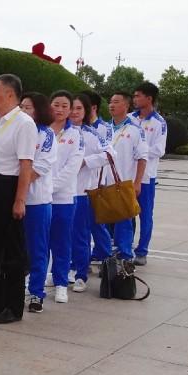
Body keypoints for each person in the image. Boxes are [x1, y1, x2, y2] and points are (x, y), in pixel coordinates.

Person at [0, 74, 38, 324]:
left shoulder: (23, 123)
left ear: (10, 95)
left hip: (9, 187)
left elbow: (26, 164)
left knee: (11, 250)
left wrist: (20, 200)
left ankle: (13, 305)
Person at [69, 93, 113, 293]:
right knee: (60, 236)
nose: (73, 112)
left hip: (81, 192)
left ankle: (80, 274)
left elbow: (110, 153)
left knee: (80, 235)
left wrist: (86, 162)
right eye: (71, 107)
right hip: (56, 193)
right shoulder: (56, 132)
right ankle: (62, 271)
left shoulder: (91, 134)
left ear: (86, 111)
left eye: (78, 108)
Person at [20, 93, 57, 313]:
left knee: (38, 249)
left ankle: (36, 292)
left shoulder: (46, 134)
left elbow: (40, 168)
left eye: (29, 108)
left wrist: (19, 191)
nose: (24, 112)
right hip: (13, 198)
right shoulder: (16, 129)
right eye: (21, 107)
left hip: (36, 201)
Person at [47, 90, 84, 303]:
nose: (59, 110)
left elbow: (73, 167)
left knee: (61, 242)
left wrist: (50, 187)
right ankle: (40, 278)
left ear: (70, 110)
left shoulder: (75, 135)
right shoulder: (40, 130)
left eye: (64, 106)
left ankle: (61, 283)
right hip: (40, 198)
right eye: (56, 105)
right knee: (41, 242)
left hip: (63, 198)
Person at [106, 91, 148, 263]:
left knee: (124, 223)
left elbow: (142, 157)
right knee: (105, 223)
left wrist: (137, 182)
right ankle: (106, 257)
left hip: (124, 184)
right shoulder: (103, 128)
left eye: (116, 102)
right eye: (110, 102)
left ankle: (125, 256)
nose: (111, 105)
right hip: (103, 184)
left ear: (126, 105)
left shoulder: (135, 130)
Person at [130, 82, 166, 266]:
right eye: (134, 96)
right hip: (127, 176)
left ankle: (142, 250)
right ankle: (125, 247)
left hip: (146, 177)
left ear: (149, 98)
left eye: (138, 96)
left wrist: (138, 151)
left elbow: (159, 150)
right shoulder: (129, 119)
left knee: (145, 215)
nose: (134, 99)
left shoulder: (159, 122)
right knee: (125, 214)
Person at [85, 91, 112, 267]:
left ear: (92, 107)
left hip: (97, 182)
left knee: (97, 222)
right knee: (83, 225)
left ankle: (105, 253)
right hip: (80, 184)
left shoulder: (104, 128)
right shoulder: (75, 127)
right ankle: (85, 256)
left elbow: (107, 154)